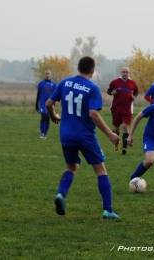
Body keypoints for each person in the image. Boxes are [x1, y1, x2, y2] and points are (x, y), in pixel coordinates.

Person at [45, 56, 121, 219]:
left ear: (78, 67)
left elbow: (48, 104)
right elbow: (92, 113)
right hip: (85, 135)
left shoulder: (64, 83)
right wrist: (109, 133)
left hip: (66, 134)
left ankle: (60, 194)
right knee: (100, 169)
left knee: (71, 167)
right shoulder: (92, 88)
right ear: (92, 71)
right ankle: (108, 210)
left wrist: (53, 116)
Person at [107, 67, 139, 155]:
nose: (125, 73)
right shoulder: (115, 81)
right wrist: (111, 92)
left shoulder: (132, 82)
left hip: (127, 109)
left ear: (129, 73)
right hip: (116, 108)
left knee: (125, 127)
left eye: (127, 72)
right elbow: (108, 90)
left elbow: (136, 91)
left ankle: (124, 148)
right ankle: (116, 143)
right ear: (121, 72)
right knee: (116, 128)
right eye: (124, 72)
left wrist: (134, 97)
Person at [35, 69, 57, 139]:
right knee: (43, 116)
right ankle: (42, 133)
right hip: (42, 103)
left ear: (51, 74)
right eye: (46, 73)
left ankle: (45, 134)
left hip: (50, 104)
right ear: (44, 74)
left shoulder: (53, 84)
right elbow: (38, 94)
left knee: (47, 118)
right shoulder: (41, 83)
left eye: (48, 73)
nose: (47, 75)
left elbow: (55, 95)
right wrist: (36, 103)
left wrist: (54, 104)